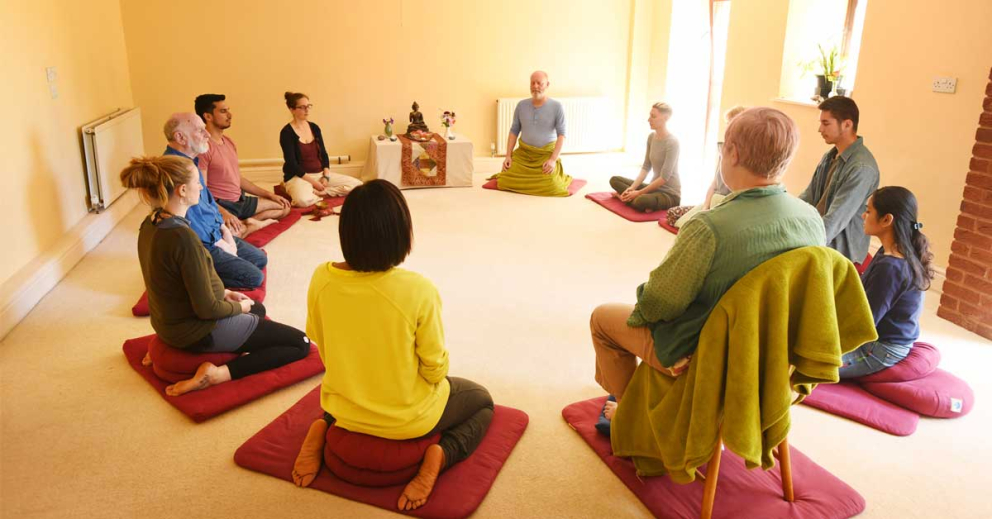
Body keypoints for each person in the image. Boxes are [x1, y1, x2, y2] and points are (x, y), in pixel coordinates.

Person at [589, 108, 826, 429]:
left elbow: (659, 303)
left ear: (733, 153)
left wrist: (645, 303)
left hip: (711, 359)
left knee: (603, 319)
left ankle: (632, 418)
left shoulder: (709, 226)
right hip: (773, 359)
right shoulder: (811, 219)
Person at [292, 180, 493, 511]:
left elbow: (321, 343)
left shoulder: (321, 277)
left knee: (350, 381)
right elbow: (434, 369)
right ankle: (440, 456)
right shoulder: (417, 289)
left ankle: (322, 426)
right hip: (407, 420)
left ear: (347, 233)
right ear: (400, 234)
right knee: (482, 400)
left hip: (344, 409)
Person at [120, 155, 311, 396]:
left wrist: (226, 293)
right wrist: (239, 308)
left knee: (258, 309)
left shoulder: (150, 224)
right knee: (300, 343)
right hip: (197, 331)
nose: (201, 187)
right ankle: (217, 375)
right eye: (197, 182)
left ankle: (164, 346)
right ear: (182, 190)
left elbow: (173, 284)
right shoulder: (183, 237)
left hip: (167, 324)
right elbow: (208, 309)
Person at [164, 113, 266, 289]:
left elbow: (209, 203)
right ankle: (187, 277)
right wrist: (220, 243)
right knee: (254, 278)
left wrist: (224, 230)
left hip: (214, 233)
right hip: (200, 246)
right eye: (200, 130)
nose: (207, 134)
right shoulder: (175, 171)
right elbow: (191, 223)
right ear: (180, 137)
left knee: (260, 259)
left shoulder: (191, 162)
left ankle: (204, 271)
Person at [839, 186, 933, 378]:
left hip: (879, 350)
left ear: (886, 220)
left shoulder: (891, 266)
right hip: (876, 339)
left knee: (802, 363)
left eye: (868, 211)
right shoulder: (890, 251)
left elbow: (864, 325)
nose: (863, 216)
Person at [799, 96, 880, 264]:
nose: (820, 129)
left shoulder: (862, 168)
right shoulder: (829, 157)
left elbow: (834, 221)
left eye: (826, 123)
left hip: (841, 253)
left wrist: (799, 243)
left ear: (847, 124)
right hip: (821, 238)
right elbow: (808, 198)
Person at [194, 94, 291, 233]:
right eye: (223, 111)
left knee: (284, 207)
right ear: (208, 116)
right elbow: (202, 190)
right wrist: (224, 213)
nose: (230, 115)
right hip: (222, 205)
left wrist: (269, 195)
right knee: (228, 236)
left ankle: (247, 223)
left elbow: (237, 178)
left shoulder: (229, 142)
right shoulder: (203, 148)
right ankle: (242, 226)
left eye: (228, 110)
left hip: (240, 200)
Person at [494, 71, 573, 196]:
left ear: (547, 84)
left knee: (552, 184)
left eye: (539, 83)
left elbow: (561, 135)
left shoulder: (557, 107)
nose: (535, 86)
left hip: (545, 155)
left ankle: (554, 173)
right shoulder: (521, 105)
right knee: (505, 178)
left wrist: (553, 160)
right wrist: (508, 156)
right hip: (524, 154)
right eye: (533, 83)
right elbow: (514, 130)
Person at [279, 91, 361, 207]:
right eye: (302, 107)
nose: (307, 110)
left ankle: (323, 193)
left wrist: (326, 176)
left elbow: (324, 154)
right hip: (299, 177)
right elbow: (292, 164)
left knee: (358, 185)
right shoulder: (286, 133)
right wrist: (314, 183)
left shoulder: (314, 127)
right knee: (302, 201)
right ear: (292, 109)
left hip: (320, 174)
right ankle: (292, 187)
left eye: (308, 106)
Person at [609, 103, 680, 212]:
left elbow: (664, 178)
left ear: (665, 118)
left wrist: (638, 193)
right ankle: (636, 201)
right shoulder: (651, 137)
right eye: (650, 115)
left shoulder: (672, 142)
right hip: (653, 188)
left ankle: (622, 197)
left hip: (669, 194)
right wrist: (632, 188)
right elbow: (646, 167)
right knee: (614, 180)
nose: (649, 119)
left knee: (640, 201)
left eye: (653, 116)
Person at [702, 105, 747, 210]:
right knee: (675, 213)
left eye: (731, 123)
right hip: (714, 200)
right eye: (727, 123)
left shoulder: (746, 155)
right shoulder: (723, 149)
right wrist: (705, 206)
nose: (727, 127)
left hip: (726, 204)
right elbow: (714, 183)